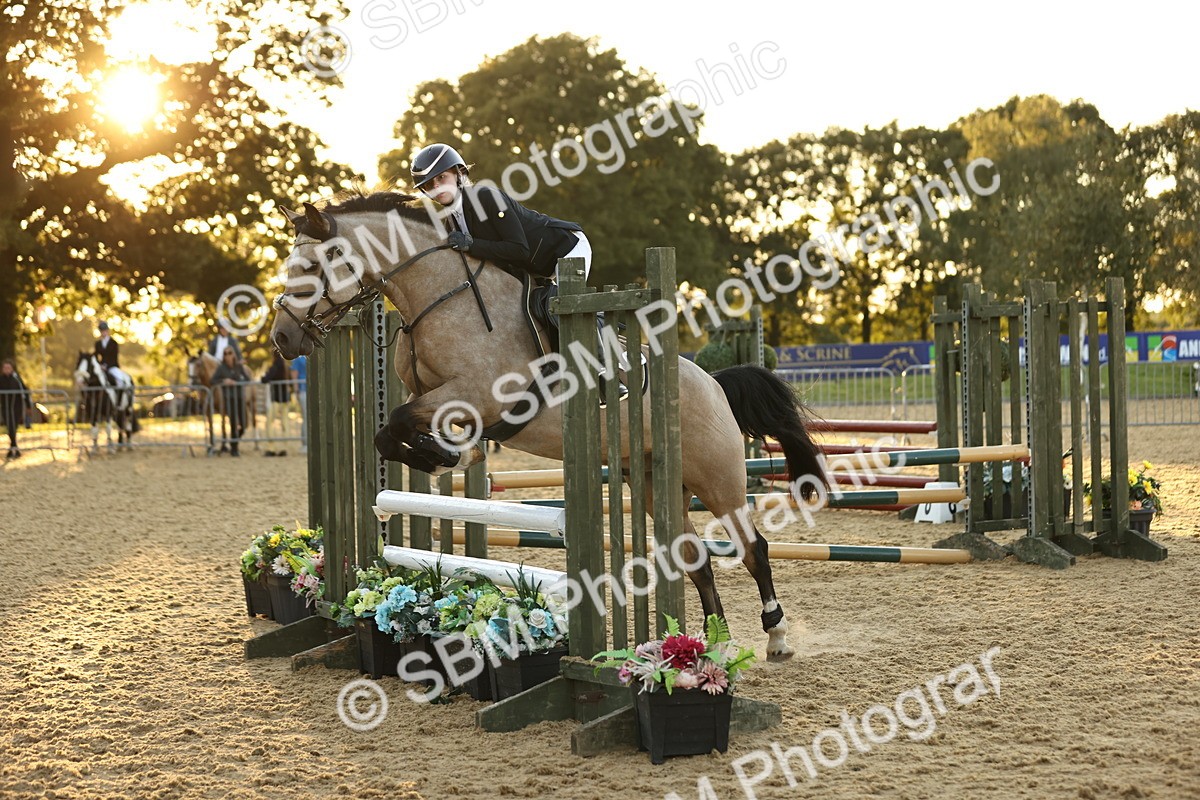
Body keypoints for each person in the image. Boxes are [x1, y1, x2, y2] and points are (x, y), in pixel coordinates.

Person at [410, 143, 592, 334]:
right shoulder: (452, 222)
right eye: (429, 184)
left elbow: (519, 249)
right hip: (539, 268)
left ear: (459, 173)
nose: (437, 186)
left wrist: (472, 245)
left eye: (441, 177)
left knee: (567, 307)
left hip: (566, 248)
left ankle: (602, 356)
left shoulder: (486, 196)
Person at [210, 347, 251, 456]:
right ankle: (234, 449)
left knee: (243, 424)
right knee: (233, 424)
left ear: (233, 354)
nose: (227, 355)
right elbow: (212, 380)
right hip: (229, 399)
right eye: (225, 353)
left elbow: (247, 379)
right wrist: (224, 381)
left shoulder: (239, 367)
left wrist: (237, 381)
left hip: (240, 398)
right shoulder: (221, 368)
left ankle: (234, 443)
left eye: (229, 353)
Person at [0, 359, 32, 460]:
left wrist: (28, 406)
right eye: (5, 368)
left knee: (14, 426)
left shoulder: (17, 379)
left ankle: (12, 448)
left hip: (16, 407)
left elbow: (25, 391)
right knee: (10, 427)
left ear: (12, 369)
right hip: (5, 407)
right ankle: (14, 447)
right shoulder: (0, 379)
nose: (7, 370)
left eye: (8, 368)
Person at [262, 349, 291, 456]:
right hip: (285, 398)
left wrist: (264, 376)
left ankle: (271, 447)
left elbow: (266, 378)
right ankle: (285, 447)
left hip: (277, 398)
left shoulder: (276, 365)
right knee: (285, 422)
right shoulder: (285, 365)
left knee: (269, 421)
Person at [290, 354, 308, 455]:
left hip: (309, 390)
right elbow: (294, 373)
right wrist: (296, 390)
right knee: (306, 417)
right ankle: (305, 443)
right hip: (303, 390)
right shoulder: (297, 359)